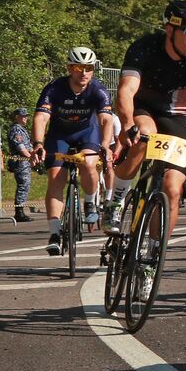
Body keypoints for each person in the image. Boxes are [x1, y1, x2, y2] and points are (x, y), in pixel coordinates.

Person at [108, 0, 186, 299]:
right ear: (169, 29)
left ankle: (152, 258)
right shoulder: (144, 48)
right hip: (144, 109)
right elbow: (125, 91)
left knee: (173, 188)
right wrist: (127, 124)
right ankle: (118, 198)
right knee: (144, 136)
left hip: (175, 117)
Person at [30, 46, 114, 253]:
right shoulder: (54, 88)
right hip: (60, 135)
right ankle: (54, 233)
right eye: (78, 67)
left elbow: (106, 120)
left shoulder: (98, 90)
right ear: (69, 68)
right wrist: (38, 144)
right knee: (56, 177)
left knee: (87, 162)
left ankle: (91, 201)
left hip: (87, 134)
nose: (83, 72)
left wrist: (105, 144)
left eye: (88, 67)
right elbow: (41, 117)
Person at [6, 107, 34, 222]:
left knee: (25, 184)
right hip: (20, 161)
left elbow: (28, 146)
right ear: (17, 117)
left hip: (24, 161)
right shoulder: (16, 130)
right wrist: (30, 157)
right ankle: (19, 212)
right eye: (24, 116)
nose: (26, 118)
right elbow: (21, 147)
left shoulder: (21, 129)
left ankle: (20, 210)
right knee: (23, 184)